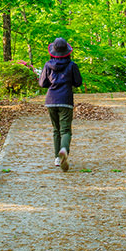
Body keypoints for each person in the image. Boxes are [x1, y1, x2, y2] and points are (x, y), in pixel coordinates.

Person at [38, 37, 82, 172]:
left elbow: (42, 83)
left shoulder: (47, 65)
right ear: (67, 52)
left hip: (51, 100)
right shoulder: (72, 65)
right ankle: (64, 150)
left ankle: (57, 158)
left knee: (56, 130)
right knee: (65, 130)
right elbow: (78, 82)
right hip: (66, 100)